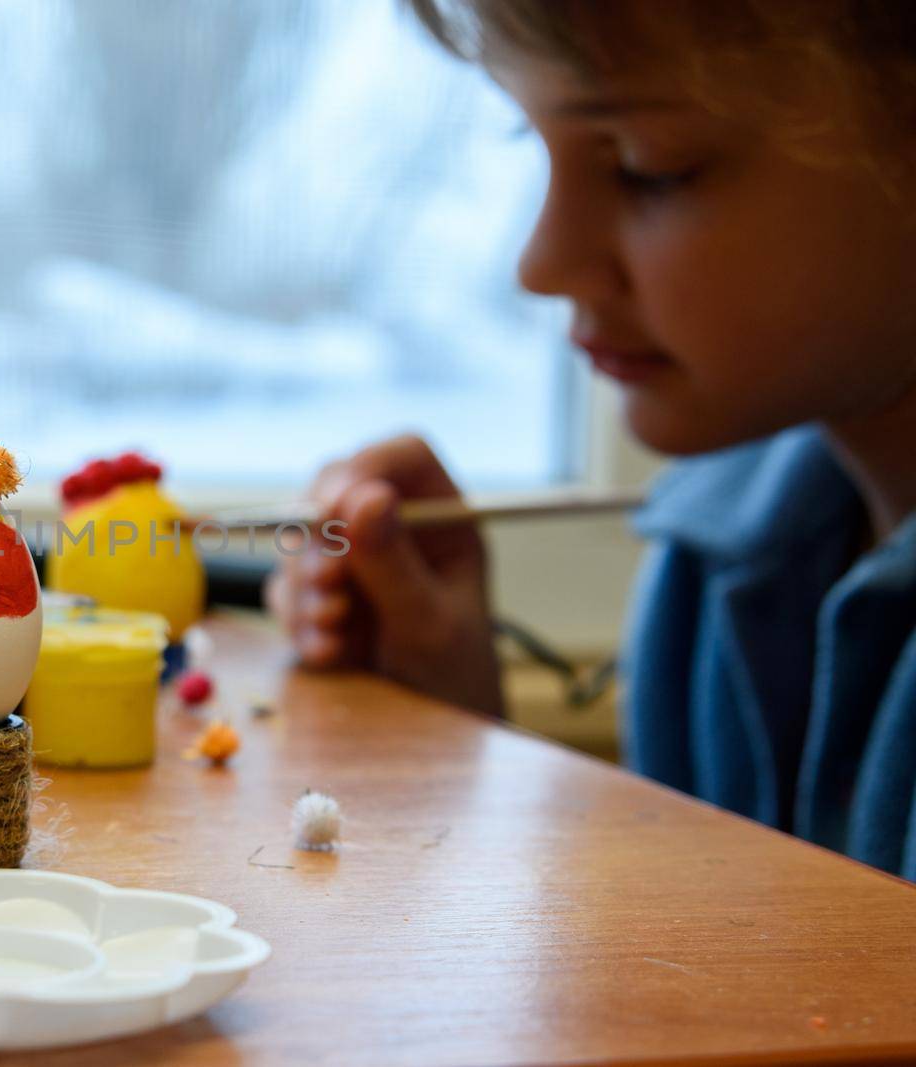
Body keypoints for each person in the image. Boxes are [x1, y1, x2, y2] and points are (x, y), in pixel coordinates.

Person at [267, 1, 916, 879]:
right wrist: (462, 723)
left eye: (651, 168)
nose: (540, 260)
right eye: (533, 146)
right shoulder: (717, 562)